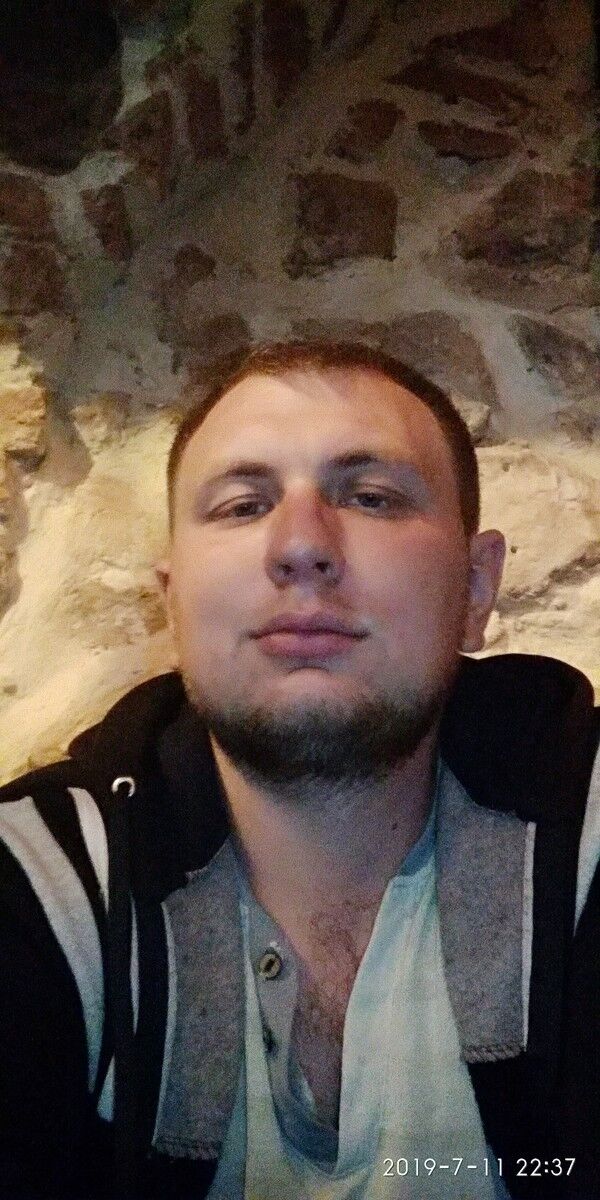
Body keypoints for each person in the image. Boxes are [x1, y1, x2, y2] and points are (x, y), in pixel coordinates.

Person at [1, 340, 598, 1200]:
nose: (302, 546)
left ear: (476, 588)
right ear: (174, 603)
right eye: (243, 505)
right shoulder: (39, 892)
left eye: (370, 496)